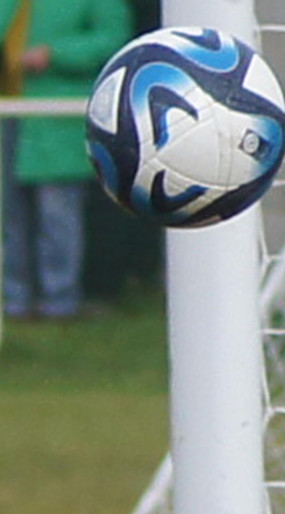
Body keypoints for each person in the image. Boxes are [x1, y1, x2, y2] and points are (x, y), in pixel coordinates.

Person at [1, 0, 130, 321]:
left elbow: (113, 39)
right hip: (8, 110)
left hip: (55, 113)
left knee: (56, 209)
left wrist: (55, 54)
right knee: (8, 210)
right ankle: (14, 299)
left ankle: (59, 300)